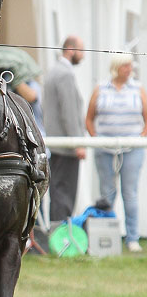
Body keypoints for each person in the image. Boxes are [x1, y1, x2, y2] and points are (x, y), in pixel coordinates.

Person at [85, 53, 147, 252]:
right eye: (126, 66)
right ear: (116, 68)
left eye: (131, 66)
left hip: (132, 149)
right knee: (107, 193)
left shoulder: (138, 89)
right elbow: (89, 118)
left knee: (130, 193)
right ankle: (106, 237)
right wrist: (96, 139)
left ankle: (132, 238)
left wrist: (140, 138)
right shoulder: (101, 89)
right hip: (104, 150)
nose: (129, 70)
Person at [43, 36, 86, 223]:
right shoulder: (65, 74)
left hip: (57, 142)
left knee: (58, 190)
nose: (83, 55)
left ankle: (57, 232)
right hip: (66, 143)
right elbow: (68, 112)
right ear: (70, 49)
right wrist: (77, 142)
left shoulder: (54, 71)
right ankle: (61, 235)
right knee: (65, 192)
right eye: (81, 50)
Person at [0, 45, 45, 134]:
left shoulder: (31, 84)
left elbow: (32, 97)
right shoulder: (0, 84)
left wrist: (15, 77)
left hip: (33, 134)